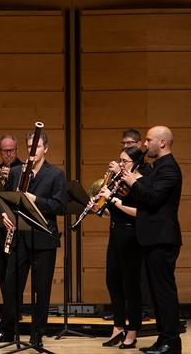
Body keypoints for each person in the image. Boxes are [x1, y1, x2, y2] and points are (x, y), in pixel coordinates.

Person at [0, 130, 67, 348]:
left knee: (41, 289)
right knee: (12, 285)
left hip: (43, 238)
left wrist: (35, 200)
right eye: (30, 147)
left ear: (46, 149)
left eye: (38, 147)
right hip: (20, 238)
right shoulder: (16, 172)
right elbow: (10, 200)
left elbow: (60, 207)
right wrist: (5, 213)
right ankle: (7, 331)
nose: (34, 151)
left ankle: (37, 334)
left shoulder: (55, 174)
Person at [121, 126, 182, 354]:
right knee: (156, 293)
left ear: (162, 143)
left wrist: (133, 181)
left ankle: (171, 342)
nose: (145, 144)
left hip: (162, 239)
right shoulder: (158, 168)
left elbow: (154, 198)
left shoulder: (170, 169)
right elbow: (145, 198)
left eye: (148, 140)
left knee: (164, 293)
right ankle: (162, 338)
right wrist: (132, 186)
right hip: (151, 238)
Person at [92, 147, 149, 349]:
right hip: (116, 233)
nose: (121, 164)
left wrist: (114, 201)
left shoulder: (140, 183)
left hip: (132, 236)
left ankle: (132, 332)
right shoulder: (120, 182)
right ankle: (118, 326)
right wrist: (99, 206)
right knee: (113, 281)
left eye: (125, 161)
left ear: (135, 162)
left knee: (130, 285)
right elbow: (114, 213)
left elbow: (139, 213)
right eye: (120, 160)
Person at [0, 135, 23, 295]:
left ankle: (16, 309)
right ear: (0, 152)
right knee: (2, 269)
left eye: (11, 150)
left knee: (15, 271)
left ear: (16, 150)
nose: (8, 154)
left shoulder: (24, 169)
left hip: (17, 227)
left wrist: (13, 176)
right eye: (5, 151)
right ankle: (7, 309)